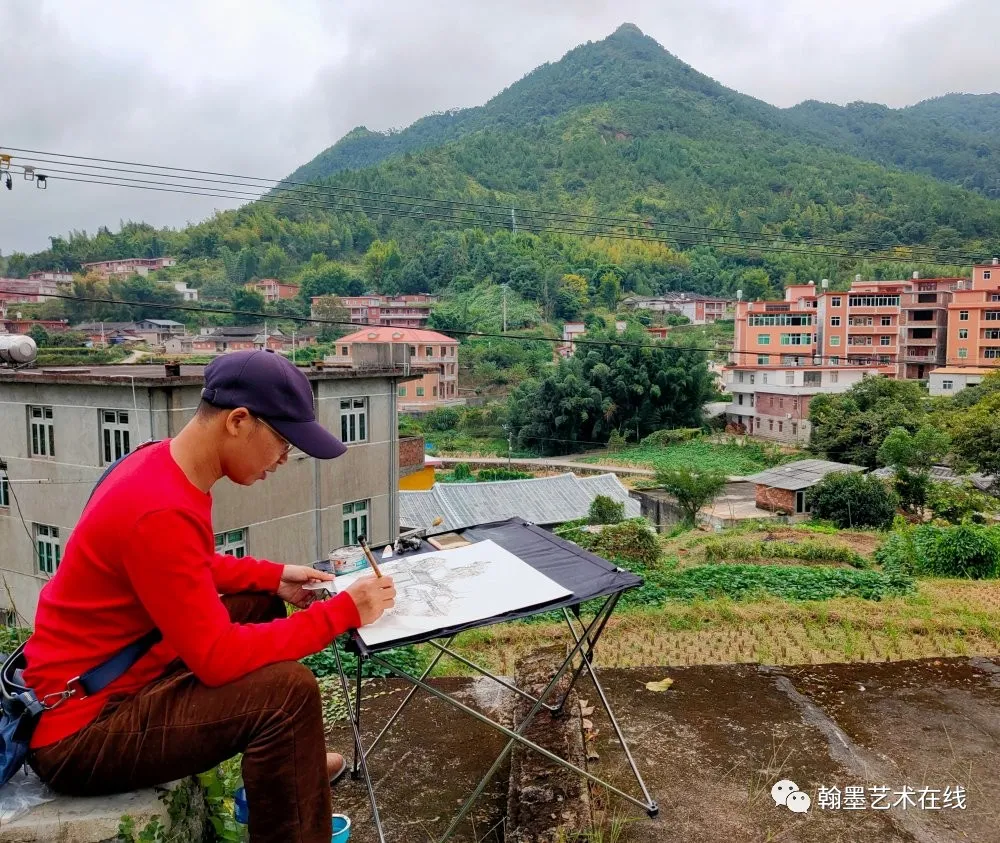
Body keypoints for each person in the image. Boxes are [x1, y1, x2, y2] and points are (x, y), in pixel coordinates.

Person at [23, 349, 396, 843]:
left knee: (258, 604)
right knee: (288, 695)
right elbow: (216, 659)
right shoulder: (160, 509)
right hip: (79, 732)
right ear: (239, 422)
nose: (284, 459)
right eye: (282, 442)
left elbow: (182, 567)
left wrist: (271, 576)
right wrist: (342, 613)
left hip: (107, 675)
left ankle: (286, 766)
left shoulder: (159, 464)